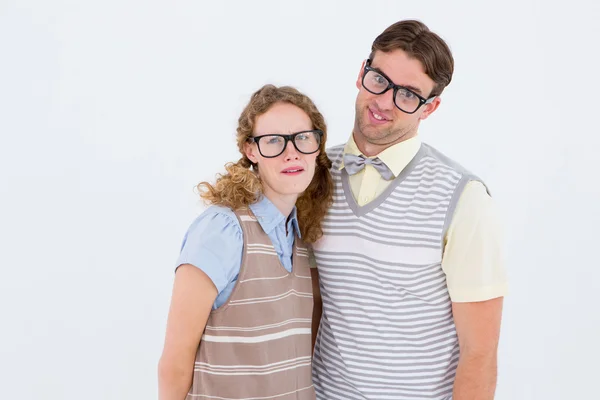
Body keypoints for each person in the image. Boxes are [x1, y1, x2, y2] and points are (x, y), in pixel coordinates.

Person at [310, 20, 508, 400]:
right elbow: (311, 301)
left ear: (430, 108)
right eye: (379, 80)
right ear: (361, 74)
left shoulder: (464, 199)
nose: (384, 102)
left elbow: (480, 353)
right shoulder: (313, 174)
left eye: (408, 95)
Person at [158, 84, 333, 400]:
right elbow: (175, 362)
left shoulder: (301, 237)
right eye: (274, 141)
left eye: (303, 137)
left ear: (317, 146)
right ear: (250, 150)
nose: (291, 152)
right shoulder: (222, 230)